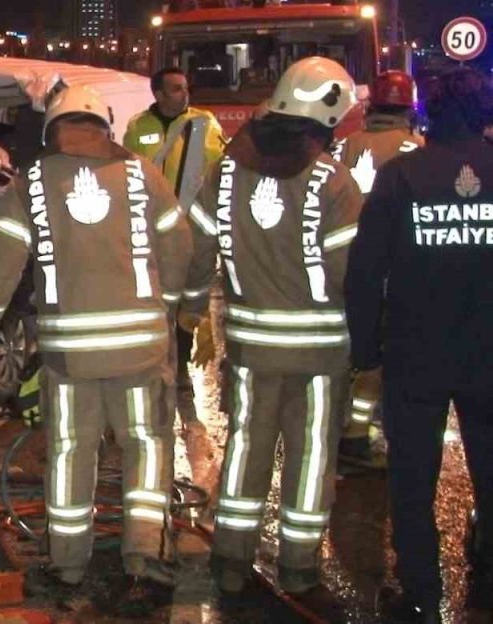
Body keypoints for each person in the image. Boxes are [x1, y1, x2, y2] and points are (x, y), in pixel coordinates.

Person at [0, 84, 191, 602]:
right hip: (141, 348)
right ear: (105, 127)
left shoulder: (29, 185)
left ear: (53, 127)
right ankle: (143, 557)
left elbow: (2, 263)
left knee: (71, 449)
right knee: (145, 446)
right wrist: (172, 306)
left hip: (70, 357)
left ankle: (68, 564)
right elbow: (179, 244)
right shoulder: (144, 174)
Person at [181, 57, 362, 606]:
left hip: (253, 349)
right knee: (310, 462)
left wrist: (190, 313)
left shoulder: (227, 171)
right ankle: (299, 569)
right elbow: (348, 274)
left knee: (246, 451)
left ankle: (231, 561)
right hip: (320, 355)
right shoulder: (334, 182)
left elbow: (197, 255)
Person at [346, 68, 493, 623]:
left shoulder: (402, 176)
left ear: (428, 113)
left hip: (416, 351)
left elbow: (365, 270)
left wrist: (365, 350)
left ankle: (419, 597)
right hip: (489, 352)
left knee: (411, 481)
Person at [123, 67, 228, 430]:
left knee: (186, 300)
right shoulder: (138, 128)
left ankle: (180, 367)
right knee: (154, 300)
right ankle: (155, 366)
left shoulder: (206, 124)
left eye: (186, 88)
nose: (184, 94)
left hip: (192, 226)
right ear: (158, 94)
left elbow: (219, 172)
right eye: (176, 89)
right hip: (153, 230)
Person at [332, 69, 426, 469]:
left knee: (353, 346)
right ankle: (358, 435)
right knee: (382, 354)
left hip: (343, 259)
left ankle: (344, 427)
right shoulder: (415, 149)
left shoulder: (345, 146)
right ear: (409, 109)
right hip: (391, 265)